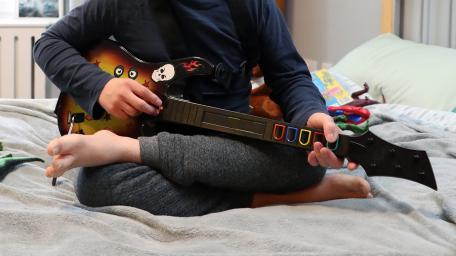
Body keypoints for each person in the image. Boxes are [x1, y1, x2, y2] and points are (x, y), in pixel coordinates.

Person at [33, 0, 371, 217]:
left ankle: (125, 149)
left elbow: (290, 75)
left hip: (230, 142)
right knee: (95, 186)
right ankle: (276, 197)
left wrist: (313, 116)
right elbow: (49, 44)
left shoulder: (253, 5)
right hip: (154, 137)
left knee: (306, 162)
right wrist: (102, 86)